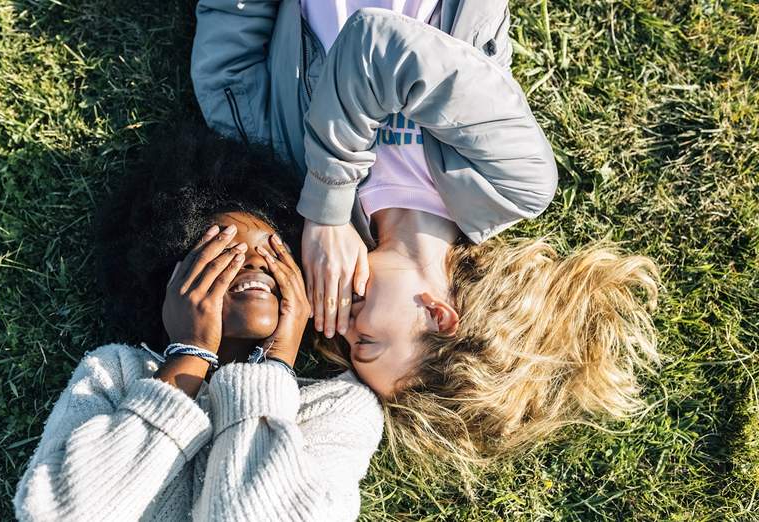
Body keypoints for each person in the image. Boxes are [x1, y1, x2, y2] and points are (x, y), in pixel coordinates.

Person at [192, 0, 660, 480]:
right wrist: (329, 210)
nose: (342, 329)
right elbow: (372, 42)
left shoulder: (291, 185)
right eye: (367, 342)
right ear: (438, 314)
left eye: (349, 347)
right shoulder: (514, 184)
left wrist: (315, 205)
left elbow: (227, 70)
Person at [13, 124, 384, 521]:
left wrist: (274, 369)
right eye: (224, 251)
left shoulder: (338, 409)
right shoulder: (114, 373)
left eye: (274, 250)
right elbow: (54, 513)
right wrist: (190, 355)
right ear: (172, 281)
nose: (256, 261)